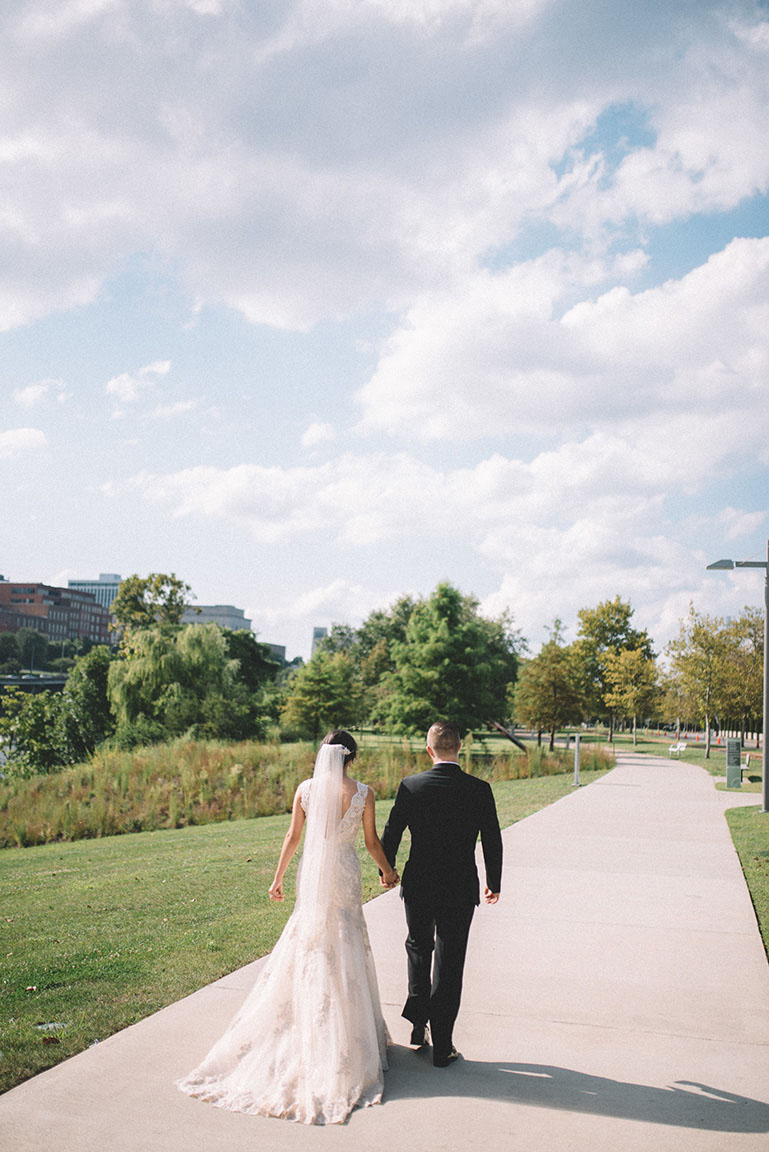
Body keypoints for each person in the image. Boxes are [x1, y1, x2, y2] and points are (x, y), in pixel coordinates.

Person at [176, 730, 399, 1125]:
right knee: (344, 943)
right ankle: (349, 1039)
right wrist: (388, 870)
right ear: (352, 757)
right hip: (344, 875)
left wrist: (277, 878)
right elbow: (370, 842)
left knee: (312, 944)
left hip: (314, 877)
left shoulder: (305, 790)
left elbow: (294, 836)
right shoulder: (363, 793)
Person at [381, 720, 502, 1067]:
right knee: (450, 960)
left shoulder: (411, 786)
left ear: (429, 750)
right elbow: (492, 839)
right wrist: (494, 880)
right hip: (460, 887)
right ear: (460, 748)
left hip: (419, 883)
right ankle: (444, 1043)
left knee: (419, 948)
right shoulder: (479, 789)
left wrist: (386, 870)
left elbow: (392, 832)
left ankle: (419, 1024)